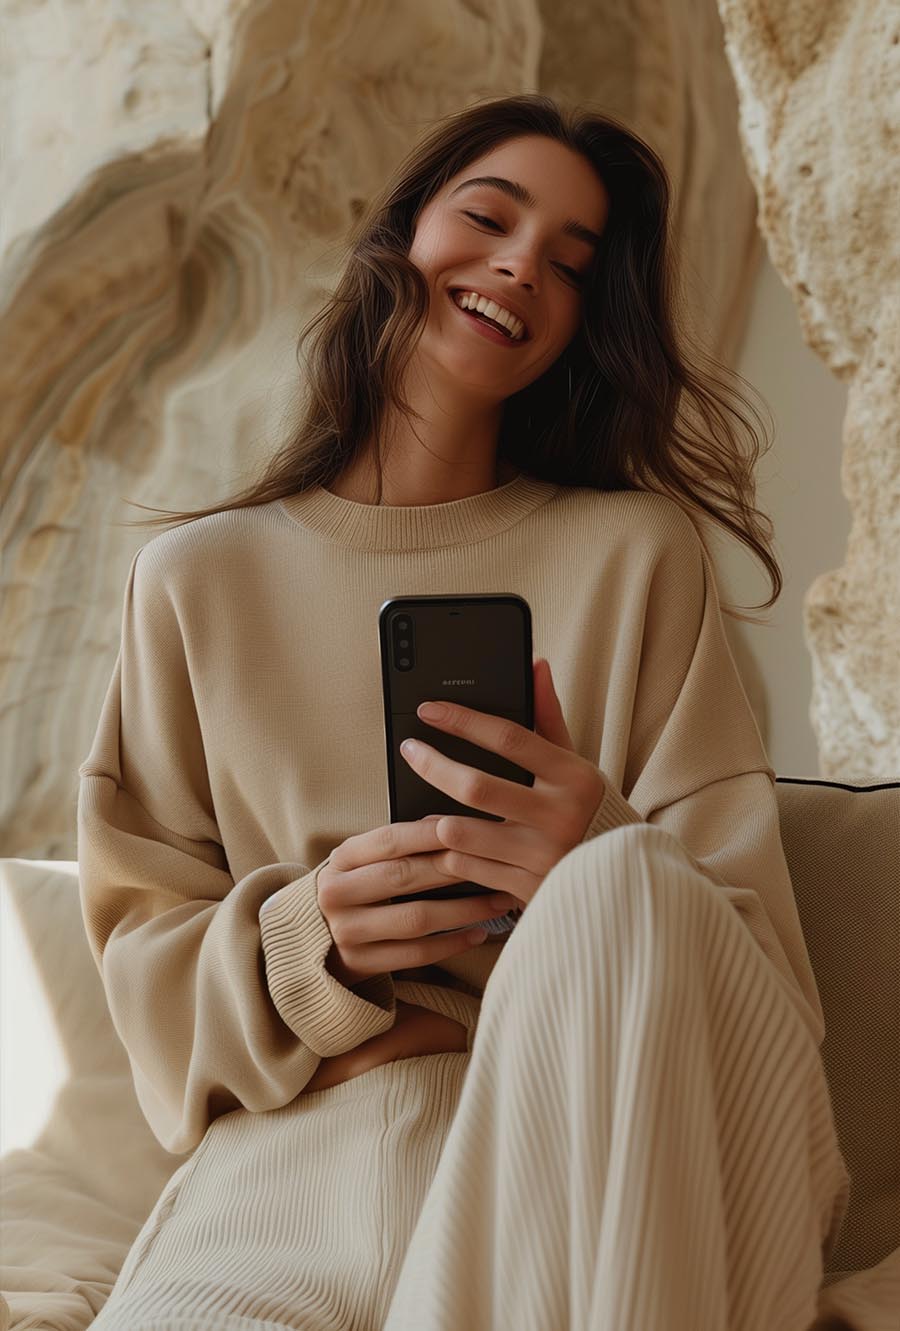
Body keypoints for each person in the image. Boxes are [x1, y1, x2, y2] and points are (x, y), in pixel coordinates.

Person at [78, 93, 851, 1330]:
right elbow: (141, 964)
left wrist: (585, 864)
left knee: (626, 883)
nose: (518, 265)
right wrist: (310, 931)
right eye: (490, 217)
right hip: (295, 1172)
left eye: (570, 264)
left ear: (583, 324)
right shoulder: (198, 582)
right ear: (400, 238)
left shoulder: (633, 557)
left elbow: (760, 988)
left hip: (585, 1134)